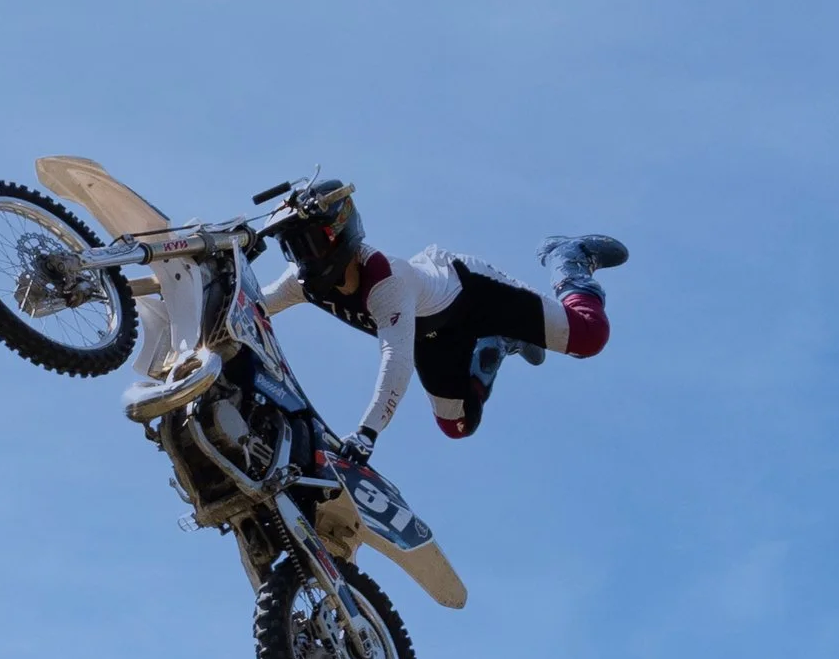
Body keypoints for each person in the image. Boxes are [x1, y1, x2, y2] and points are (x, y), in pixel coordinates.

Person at [260, 180, 625, 461]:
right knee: (458, 425)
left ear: (340, 233)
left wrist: (366, 433)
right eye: (291, 248)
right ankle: (497, 344)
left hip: (473, 293)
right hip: (432, 337)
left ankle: (569, 258)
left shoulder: (387, 283)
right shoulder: (301, 283)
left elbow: (396, 359)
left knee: (589, 336)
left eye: (309, 244)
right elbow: (252, 303)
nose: (302, 260)